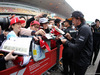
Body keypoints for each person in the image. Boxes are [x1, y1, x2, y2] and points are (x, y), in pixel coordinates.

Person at [58, 11, 93, 75]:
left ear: (78, 19)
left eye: (73, 19)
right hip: (79, 59)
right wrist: (71, 38)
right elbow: (80, 42)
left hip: (82, 60)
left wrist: (66, 42)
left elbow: (77, 47)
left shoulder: (84, 28)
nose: (72, 22)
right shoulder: (82, 28)